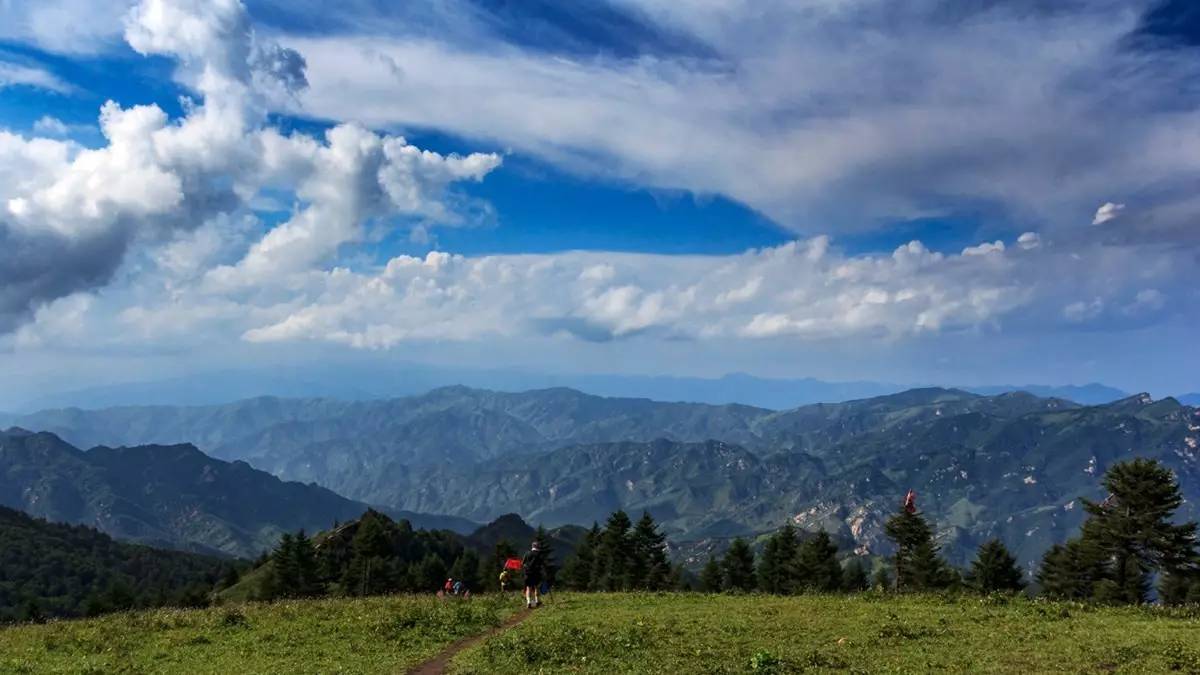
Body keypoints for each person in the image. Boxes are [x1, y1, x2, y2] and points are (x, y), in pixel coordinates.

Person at [522, 541, 547, 609]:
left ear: (532, 546)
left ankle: (529, 602)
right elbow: (542, 565)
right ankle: (537, 601)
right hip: (537, 574)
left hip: (528, 574)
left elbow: (523, 563)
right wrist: (544, 572)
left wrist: (526, 568)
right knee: (536, 587)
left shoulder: (527, 553)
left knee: (528, 588)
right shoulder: (539, 554)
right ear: (537, 547)